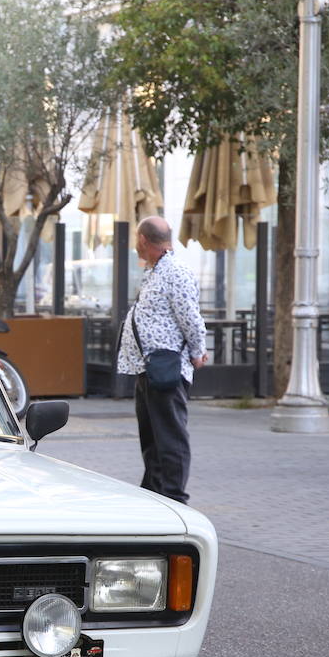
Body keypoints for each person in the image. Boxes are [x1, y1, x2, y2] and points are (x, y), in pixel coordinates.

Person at [116, 215, 209, 504]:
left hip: (165, 366)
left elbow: (191, 318)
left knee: (169, 436)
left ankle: (173, 496)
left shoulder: (175, 271)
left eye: (136, 240)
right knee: (152, 437)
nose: (135, 245)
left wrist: (197, 351)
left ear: (143, 240)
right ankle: (154, 492)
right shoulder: (157, 270)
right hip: (147, 366)